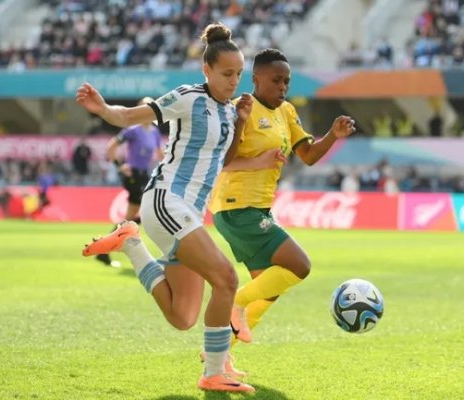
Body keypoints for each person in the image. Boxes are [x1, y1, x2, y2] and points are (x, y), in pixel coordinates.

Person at [76, 23, 255, 393]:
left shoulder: (230, 110)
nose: (233, 81)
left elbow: (226, 159)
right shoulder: (189, 97)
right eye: (226, 74)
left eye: (238, 74)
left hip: (186, 212)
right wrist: (104, 108)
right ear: (206, 70)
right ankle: (215, 371)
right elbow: (129, 118)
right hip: (166, 200)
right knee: (227, 279)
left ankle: (131, 244)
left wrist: (242, 123)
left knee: (183, 316)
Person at [209, 48, 356, 373]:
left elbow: (308, 155)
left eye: (286, 80)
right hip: (236, 206)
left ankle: (218, 356)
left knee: (270, 289)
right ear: (256, 79)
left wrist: (334, 134)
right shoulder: (241, 108)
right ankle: (236, 302)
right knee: (299, 265)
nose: (282, 86)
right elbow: (221, 160)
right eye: (276, 80)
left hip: (258, 208)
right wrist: (258, 158)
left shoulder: (287, 112)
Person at [94, 98, 165, 268]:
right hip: (133, 175)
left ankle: (105, 248)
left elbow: (159, 153)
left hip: (144, 175)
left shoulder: (154, 132)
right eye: (145, 108)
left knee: (132, 217)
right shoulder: (133, 130)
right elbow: (111, 146)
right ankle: (108, 246)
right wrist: (119, 167)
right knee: (147, 210)